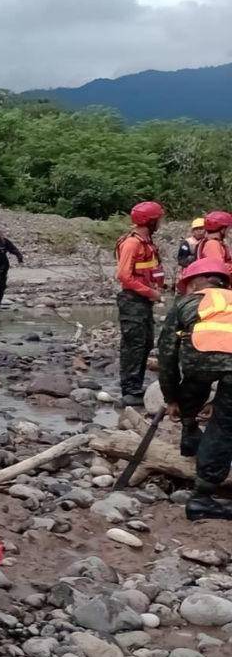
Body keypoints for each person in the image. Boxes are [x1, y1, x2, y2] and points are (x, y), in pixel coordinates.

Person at [158, 257, 232, 521]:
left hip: (197, 362)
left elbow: (167, 356)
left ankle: (189, 431)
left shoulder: (185, 304)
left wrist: (171, 399)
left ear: (196, 282)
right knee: (224, 425)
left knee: (194, 380)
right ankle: (202, 497)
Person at [116, 200, 165, 407]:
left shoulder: (147, 242)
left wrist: (157, 288)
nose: (161, 222)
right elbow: (124, 276)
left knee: (145, 343)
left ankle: (135, 385)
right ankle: (130, 389)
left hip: (143, 300)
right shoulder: (132, 243)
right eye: (158, 219)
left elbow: (151, 269)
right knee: (134, 345)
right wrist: (151, 292)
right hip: (132, 300)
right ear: (149, 221)